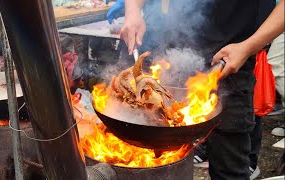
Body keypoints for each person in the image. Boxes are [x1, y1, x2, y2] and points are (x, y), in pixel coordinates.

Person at [108, 0, 284, 179]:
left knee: (229, 170)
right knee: (145, 157)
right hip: (162, 55)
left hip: (226, 64)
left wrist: (249, 46)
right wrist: (133, 12)